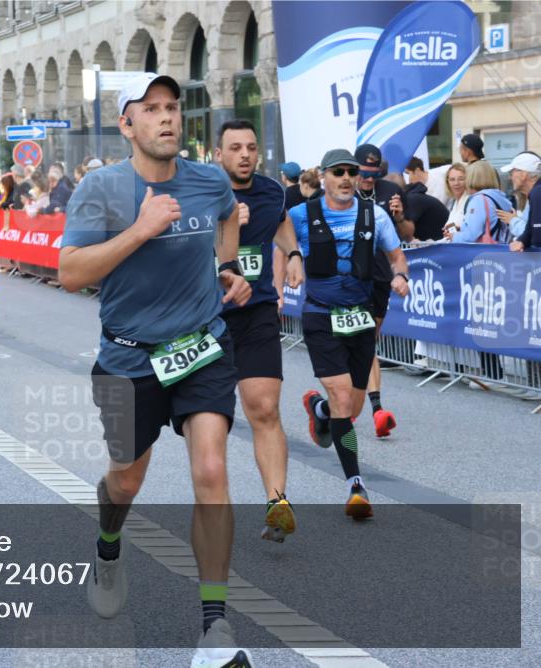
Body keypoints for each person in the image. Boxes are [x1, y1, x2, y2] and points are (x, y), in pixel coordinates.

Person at [59, 72, 253, 668]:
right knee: (125, 482)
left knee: (213, 470)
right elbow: (69, 271)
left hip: (200, 348)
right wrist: (141, 230)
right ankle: (108, 545)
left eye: (173, 107)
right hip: (128, 357)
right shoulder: (101, 189)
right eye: (152, 109)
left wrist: (225, 267)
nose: (167, 118)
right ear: (127, 124)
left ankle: (215, 628)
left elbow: (227, 217)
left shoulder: (208, 179)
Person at [296, 149, 409, 520]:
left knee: (352, 408)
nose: (346, 178)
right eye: (338, 172)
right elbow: (279, 245)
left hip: (359, 316)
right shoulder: (301, 215)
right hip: (320, 313)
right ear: (324, 177)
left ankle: (319, 409)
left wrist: (400, 275)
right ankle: (355, 485)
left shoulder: (374, 215)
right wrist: (284, 271)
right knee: (345, 399)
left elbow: (397, 256)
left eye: (351, 171)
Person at [215, 119, 304, 543]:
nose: (245, 154)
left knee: (264, 408)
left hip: (258, 312)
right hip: (207, 319)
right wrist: (223, 224)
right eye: (235, 148)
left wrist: (295, 252)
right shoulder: (201, 192)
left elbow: (282, 221)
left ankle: (277, 502)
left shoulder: (271, 191)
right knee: (210, 420)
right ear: (219, 155)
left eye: (251, 147)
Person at [354, 144, 407, 438]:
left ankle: (365, 407)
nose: (368, 180)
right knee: (359, 341)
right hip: (349, 280)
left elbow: (408, 234)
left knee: (367, 342)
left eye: (374, 174)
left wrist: (399, 218)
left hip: (379, 278)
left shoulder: (390, 191)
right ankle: (374, 409)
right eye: (364, 173)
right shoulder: (343, 191)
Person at [449, 160, 513, 244]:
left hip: (483, 253)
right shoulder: (498, 198)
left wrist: (454, 237)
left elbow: (472, 235)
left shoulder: (478, 200)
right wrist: (462, 228)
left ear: (473, 178)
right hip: (500, 249)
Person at [402, 157, 449, 241]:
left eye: (408, 174)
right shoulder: (414, 194)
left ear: (417, 170)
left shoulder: (439, 174)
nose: (408, 180)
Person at [504, 152, 541, 251]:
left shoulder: (537, 192)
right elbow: (530, 229)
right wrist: (522, 241)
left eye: (512, 172)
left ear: (524, 175)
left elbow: (537, 238)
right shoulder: (536, 192)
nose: (510, 177)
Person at [443, 163, 468, 235]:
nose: (456, 183)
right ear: (447, 182)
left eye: (461, 179)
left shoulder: (471, 201)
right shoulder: (455, 202)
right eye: (452, 179)